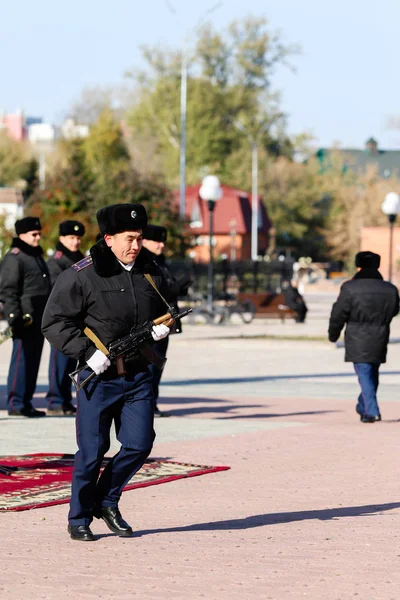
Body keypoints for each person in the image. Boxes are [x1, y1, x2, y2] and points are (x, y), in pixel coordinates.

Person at [42, 203, 170, 541]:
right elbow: (53, 322)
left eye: (140, 238)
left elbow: (166, 306)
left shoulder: (149, 271)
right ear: (109, 238)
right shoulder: (82, 274)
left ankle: (106, 499)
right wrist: (87, 353)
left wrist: (162, 330)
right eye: (129, 238)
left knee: (140, 443)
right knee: (91, 452)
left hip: (138, 375)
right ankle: (79, 517)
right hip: (98, 378)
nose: (136, 245)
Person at [328, 251, 399, 423]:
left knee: (366, 374)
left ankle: (372, 411)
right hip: (380, 336)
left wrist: (333, 334)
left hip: (357, 337)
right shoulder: (390, 289)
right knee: (371, 373)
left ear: (358, 265)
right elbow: (395, 310)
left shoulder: (349, 288)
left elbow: (339, 313)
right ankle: (363, 406)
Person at [0, 217, 51, 417]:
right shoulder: (15, 257)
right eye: (34, 234)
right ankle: (16, 402)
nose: (38, 237)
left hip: (38, 318)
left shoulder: (34, 255)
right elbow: (8, 291)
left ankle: (26, 401)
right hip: (24, 319)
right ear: (22, 235)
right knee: (21, 361)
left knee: (33, 362)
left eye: (39, 234)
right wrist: (14, 317)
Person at [142, 224, 192, 417]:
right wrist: (176, 286)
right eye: (157, 241)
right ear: (145, 240)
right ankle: (146, 404)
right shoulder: (145, 261)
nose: (161, 245)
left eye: (163, 241)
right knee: (148, 366)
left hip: (166, 322)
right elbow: (155, 290)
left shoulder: (160, 261)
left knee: (157, 365)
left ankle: (151, 402)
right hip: (152, 323)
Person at [46, 220, 86, 416]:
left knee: (71, 361)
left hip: (77, 319)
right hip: (62, 319)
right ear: (62, 238)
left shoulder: (80, 259)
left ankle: (65, 400)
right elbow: (56, 291)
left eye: (78, 238)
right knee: (59, 361)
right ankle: (55, 400)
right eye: (71, 238)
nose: (75, 242)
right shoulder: (57, 261)